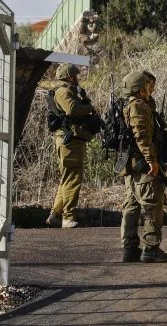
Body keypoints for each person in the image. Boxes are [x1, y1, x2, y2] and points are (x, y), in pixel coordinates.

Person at [120, 70, 167, 263]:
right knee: (152, 204)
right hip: (142, 164)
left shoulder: (126, 105)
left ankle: (130, 248)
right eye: (147, 86)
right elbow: (142, 136)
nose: (149, 89)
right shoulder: (139, 106)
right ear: (140, 88)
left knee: (132, 205)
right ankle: (151, 248)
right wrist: (151, 160)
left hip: (131, 165)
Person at [45, 64, 100, 229]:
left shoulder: (69, 91)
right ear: (69, 76)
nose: (77, 78)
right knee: (73, 179)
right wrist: (90, 107)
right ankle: (67, 217)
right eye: (75, 75)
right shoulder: (64, 91)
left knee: (67, 179)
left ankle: (55, 215)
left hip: (70, 140)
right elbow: (72, 109)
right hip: (69, 141)